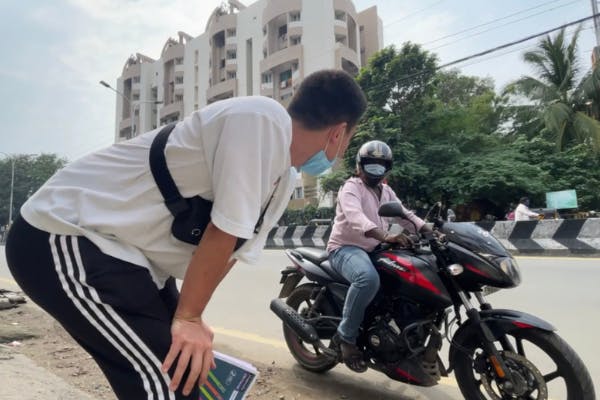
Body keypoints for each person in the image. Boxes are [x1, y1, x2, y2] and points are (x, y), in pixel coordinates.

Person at [5, 69, 367, 399]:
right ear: (338, 133)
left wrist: (191, 317)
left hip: (127, 259)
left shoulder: (283, 178)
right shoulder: (262, 119)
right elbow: (221, 230)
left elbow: (229, 251)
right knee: (166, 383)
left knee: (188, 374)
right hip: (63, 235)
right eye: (349, 138)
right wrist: (188, 319)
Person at [326, 140, 430, 373]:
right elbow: (356, 217)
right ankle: (346, 337)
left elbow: (405, 216)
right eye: (370, 164)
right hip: (345, 248)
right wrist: (386, 236)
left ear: (387, 169)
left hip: (374, 248)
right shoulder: (351, 188)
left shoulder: (387, 191)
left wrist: (430, 231)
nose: (375, 169)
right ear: (359, 166)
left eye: (380, 165)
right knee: (367, 279)